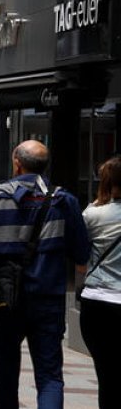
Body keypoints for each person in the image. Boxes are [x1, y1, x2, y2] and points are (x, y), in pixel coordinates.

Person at [0, 140, 89, 409]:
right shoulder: (64, 201)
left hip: (5, 298)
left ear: (17, 163)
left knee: (6, 372)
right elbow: (82, 252)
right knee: (49, 376)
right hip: (48, 298)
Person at [79, 155, 121, 408]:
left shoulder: (94, 215)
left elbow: (79, 254)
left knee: (107, 374)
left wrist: (98, 201)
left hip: (100, 300)